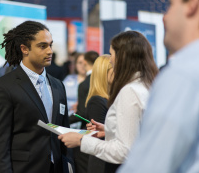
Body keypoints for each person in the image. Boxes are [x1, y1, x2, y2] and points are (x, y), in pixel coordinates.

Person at [117, 0, 199, 172]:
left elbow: (147, 167)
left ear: (192, 3)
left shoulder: (183, 75)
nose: (164, 17)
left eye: (171, 4)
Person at [58, 31, 158, 173]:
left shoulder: (130, 91)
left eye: (112, 54)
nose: (110, 60)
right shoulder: (147, 85)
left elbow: (124, 151)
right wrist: (110, 129)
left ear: (123, 57)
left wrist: (81, 141)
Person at [0, 20, 73, 173]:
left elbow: (63, 132)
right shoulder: (4, 87)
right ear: (24, 49)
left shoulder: (58, 85)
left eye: (50, 45)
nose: (50, 51)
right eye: (42, 46)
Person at [68, 50, 99, 173]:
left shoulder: (84, 84)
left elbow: (81, 112)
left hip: (87, 130)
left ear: (85, 63)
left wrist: (65, 120)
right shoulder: (103, 81)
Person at [84, 55, 112, 173]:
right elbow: (99, 138)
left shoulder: (109, 98)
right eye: (114, 68)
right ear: (104, 73)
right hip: (102, 164)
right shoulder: (97, 101)